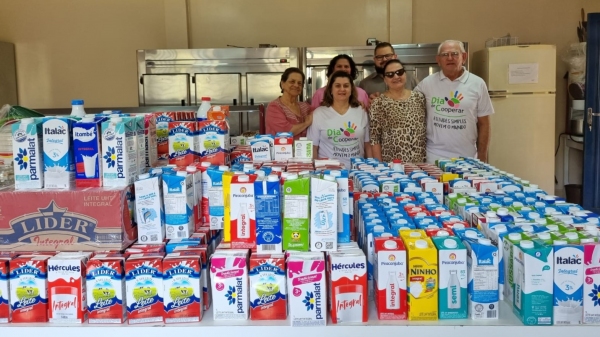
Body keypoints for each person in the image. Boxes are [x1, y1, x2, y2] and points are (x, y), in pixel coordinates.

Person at [414, 40, 494, 163]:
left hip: (467, 158)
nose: (450, 58)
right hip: (433, 157)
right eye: (445, 55)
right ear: (438, 60)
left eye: (455, 54)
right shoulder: (427, 84)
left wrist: (482, 155)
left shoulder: (477, 84)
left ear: (464, 57)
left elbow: (484, 123)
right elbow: (405, 101)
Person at [307, 71, 371, 168]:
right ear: (331, 90)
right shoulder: (319, 113)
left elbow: (367, 145)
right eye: (337, 86)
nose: (342, 89)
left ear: (351, 89)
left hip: (357, 172)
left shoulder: (361, 111)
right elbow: (313, 147)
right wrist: (315, 170)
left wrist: (371, 167)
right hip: (328, 172)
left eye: (346, 86)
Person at [370, 59, 426, 163]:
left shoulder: (419, 98)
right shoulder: (378, 103)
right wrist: (380, 167)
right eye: (390, 74)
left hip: (419, 164)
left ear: (405, 74)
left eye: (399, 72)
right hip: (392, 166)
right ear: (385, 79)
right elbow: (375, 139)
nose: (396, 77)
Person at [265, 67, 313, 139]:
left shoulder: (305, 106)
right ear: (282, 84)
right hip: (281, 149)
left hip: (304, 149)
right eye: (292, 82)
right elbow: (285, 132)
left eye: (299, 83)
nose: (296, 85)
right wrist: (306, 124)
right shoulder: (274, 106)